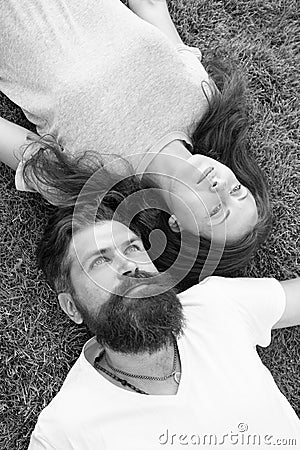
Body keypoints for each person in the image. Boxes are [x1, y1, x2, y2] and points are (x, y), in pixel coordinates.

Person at [0, 0, 270, 268]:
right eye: (237, 190)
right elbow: (151, 9)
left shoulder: (93, 182)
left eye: (216, 211)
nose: (219, 187)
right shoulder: (203, 101)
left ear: (177, 224)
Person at [27, 204, 300, 449]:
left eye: (132, 247)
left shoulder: (216, 304)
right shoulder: (64, 432)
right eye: (99, 261)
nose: (128, 264)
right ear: (71, 306)